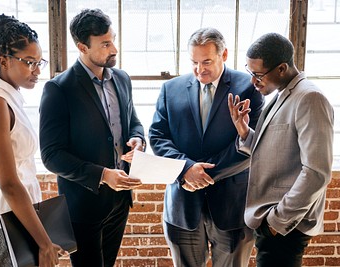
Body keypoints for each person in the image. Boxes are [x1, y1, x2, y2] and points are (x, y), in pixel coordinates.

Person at [149, 27, 264, 267]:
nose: (199, 69)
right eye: (194, 62)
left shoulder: (249, 86)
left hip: (232, 206)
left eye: (207, 62)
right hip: (182, 205)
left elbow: (252, 143)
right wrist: (186, 170)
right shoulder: (171, 89)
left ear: (224, 55)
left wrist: (203, 175)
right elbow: (158, 136)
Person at [39, 8, 145, 267]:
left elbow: (134, 123)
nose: (114, 49)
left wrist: (138, 140)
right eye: (106, 44)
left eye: (114, 40)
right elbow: (51, 156)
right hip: (83, 206)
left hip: (120, 202)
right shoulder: (58, 89)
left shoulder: (121, 79)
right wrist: (102, 175)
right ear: (82, 46)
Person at [0, 14, 67, 266]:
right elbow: (8, 182)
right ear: (4, 61)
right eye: (29, 62)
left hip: (16, 212)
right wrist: (44, 243)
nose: (38, 70)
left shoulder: (10, 96)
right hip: (1, 215)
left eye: (40, 61)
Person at [228, 32, 334, 267]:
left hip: (285, 226)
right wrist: (245, 132)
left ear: (282, 68)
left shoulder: (310, 98)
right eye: (250, 73)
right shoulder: (282, 94)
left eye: (257, 75)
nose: (253, 81)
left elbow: (317, 172)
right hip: (270, 220)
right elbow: (278, 150)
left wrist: (277, 222)